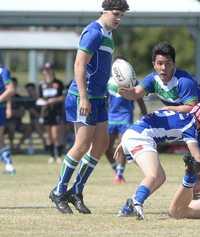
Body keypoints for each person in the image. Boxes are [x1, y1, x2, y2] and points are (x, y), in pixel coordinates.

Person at [49, 0, 130, 214]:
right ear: (104, 11)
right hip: (82, 97)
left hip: (99, 97)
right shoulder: (93, 32)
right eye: (116, 14)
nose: (119, 19)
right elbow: (79, 65)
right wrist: (83, 97)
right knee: (82, 145)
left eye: (122, 15)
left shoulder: (109, 34)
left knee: (102, 144)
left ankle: (76, 190)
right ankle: (58, 191)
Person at [119, 41, 200, 191]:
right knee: (199, 168)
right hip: (194, 126)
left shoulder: (184, 81)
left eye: (168, 63)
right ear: (154, 64)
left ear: (174, 64)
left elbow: (191, 107)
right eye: (160, 63)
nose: (164, 68)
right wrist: (124, 89)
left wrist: (168, 108)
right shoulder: (153, 80)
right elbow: (136, 93)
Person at [116, 102, 200, 220]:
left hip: (133, 134)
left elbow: (151, 116)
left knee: (160, 177)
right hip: (140, 138)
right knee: (153, 175)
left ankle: (130, 206)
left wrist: (127, 137)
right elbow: (198, 157)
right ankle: (136, 203)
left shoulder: (179, 115)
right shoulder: (190, 126)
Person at [106, 72, 147, 184]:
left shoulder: (132, 81)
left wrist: (145, 114)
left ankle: (119, 174)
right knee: (106, 147)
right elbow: (104, 98)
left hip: (125, 116)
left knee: (123, 145)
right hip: (111, 117)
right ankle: (117, 170)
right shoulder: (108, 81)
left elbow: (139, 99)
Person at [38, 62, 65, 163]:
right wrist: (43, 102)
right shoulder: (41, 84)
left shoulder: (59, 83)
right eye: (45, 70)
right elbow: (39, 98)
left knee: (56, 135)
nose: (47, 72)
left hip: (56, 111)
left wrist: (54, 100)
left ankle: (58, 155)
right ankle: (51, 155)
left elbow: (63, 97)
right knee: (48, 135)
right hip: (46, 112)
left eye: (49, 69)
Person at [5, 77, 32, 153]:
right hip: (4, 123)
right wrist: (13, 112)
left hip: (17, 122)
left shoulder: (19, 97)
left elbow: (22, 113)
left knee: (29, 127)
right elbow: (6, 114)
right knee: (11, 125)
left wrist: (12, 112)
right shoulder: (4, 97)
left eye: (14, 85)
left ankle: (17, 146)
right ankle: (11, 146)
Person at [0, 64, 15, 174]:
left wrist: (8, 107)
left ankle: (9, 164)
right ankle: (8, 164)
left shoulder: (3, 71)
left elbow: (10, 90)